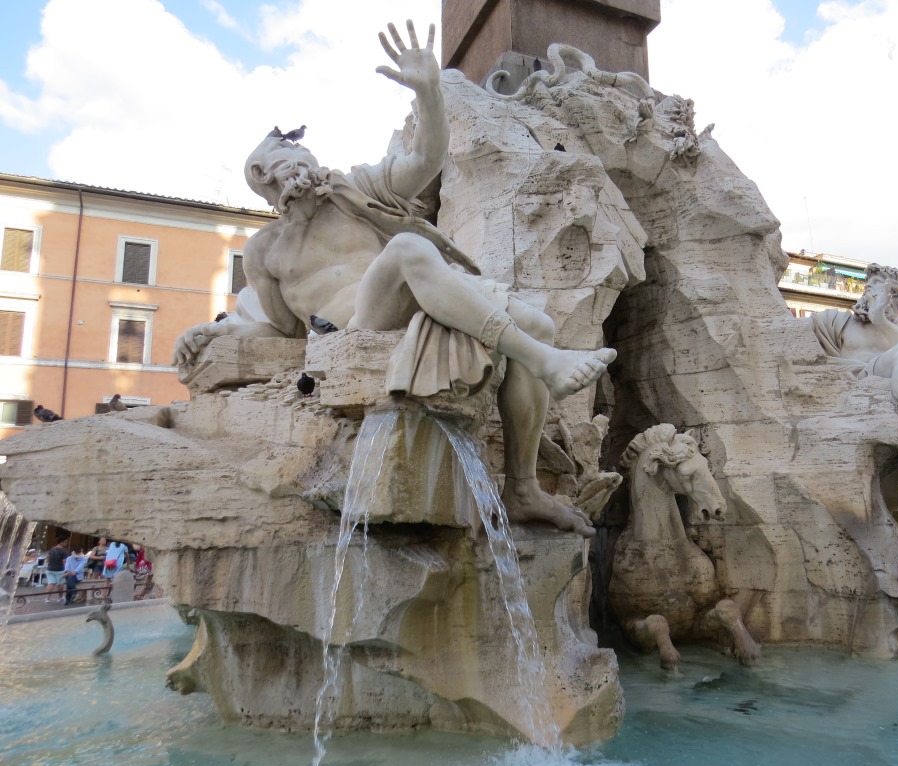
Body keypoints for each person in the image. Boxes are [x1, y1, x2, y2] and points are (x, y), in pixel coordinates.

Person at [172, 20, 616, 537]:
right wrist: (212, 331)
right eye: (279, 165)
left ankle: (522, 488)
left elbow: (426, 159)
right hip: (357, 327)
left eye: (297, 157)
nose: (294, 169)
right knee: (407, 248)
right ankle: (546, 362)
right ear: (263, 182)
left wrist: (428, 91)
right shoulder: (264, 251)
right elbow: (279, 331)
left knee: (539, 324)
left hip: (417, 296)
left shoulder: (356, 191)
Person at [809, 263, 898, 458]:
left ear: (894, 292)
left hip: (892, 380)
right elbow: (792, 328)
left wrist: (880, 321)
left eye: (876, 282)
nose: (868, 286)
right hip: (849, 384)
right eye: (868, 282)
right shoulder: (838, 321)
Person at [43, 538, 69, 603]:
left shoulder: (52, 549)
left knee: (51, 583)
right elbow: (65, 561)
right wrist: (66, 570)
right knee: (60, 584)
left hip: (50, 568)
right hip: (60, 569)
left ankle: (47, 598)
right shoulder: (64, 550)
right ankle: (61, 597)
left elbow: (47, 558)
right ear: (61, 542)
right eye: (65, 542)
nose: (66, 543)